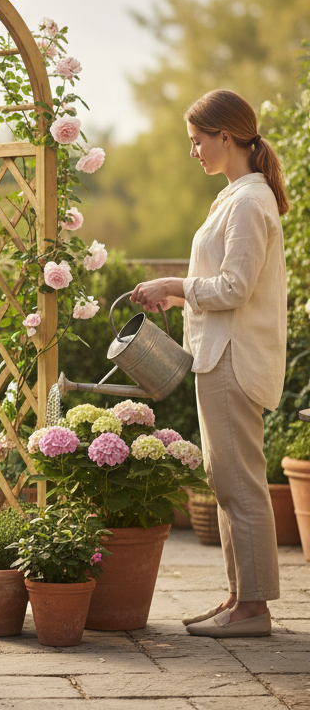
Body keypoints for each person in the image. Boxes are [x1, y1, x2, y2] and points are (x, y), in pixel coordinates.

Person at [130, 89, 288, 639]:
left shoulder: (248, 201)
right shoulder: (235, 197)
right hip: (220, 355)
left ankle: (253, 609)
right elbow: (222, 285)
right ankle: (239, 598)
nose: (193, 151)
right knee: (227, 483)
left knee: (240, 485)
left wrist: (175, 284)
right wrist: (179, 299)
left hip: (232, 361)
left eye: (198, 141)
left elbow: (236, 287)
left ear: (227, 137)